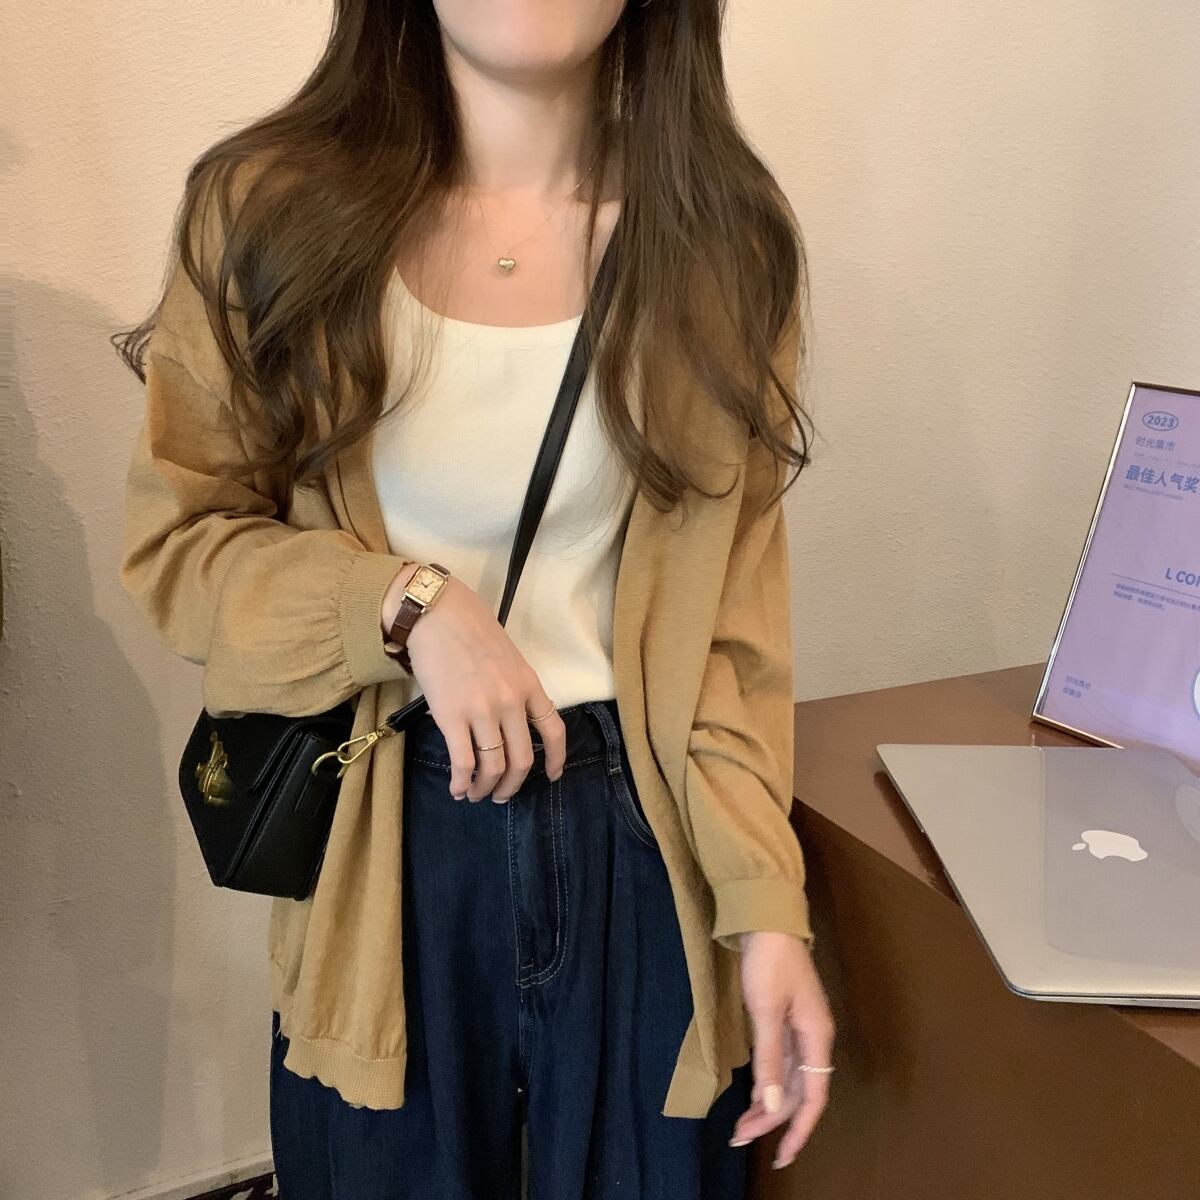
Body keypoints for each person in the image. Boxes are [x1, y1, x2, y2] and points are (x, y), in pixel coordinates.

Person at [115, 1, 836, 1196]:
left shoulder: (722, 244)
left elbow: (730, 638)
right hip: (389, 845)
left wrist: (766, 906)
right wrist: (404, 606)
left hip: (642, 845)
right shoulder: (267, 215)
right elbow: (181, 551)